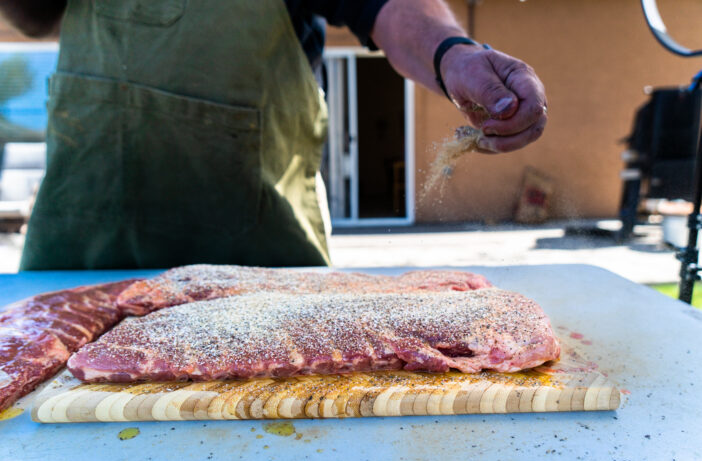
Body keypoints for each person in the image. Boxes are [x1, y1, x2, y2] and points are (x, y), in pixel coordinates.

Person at [1, 0, 547, 270]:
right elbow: (32, 16)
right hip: (77, 264)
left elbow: (389, 7)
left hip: (259, 262)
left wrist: (451, 52)